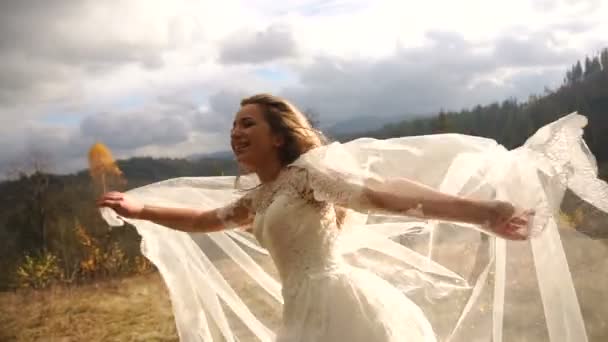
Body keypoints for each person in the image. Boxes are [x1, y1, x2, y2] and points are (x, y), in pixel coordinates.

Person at [97, 94, 541, 341]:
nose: (235, 132)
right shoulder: (262, 196)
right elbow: (203, 220)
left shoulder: (308, 176)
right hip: (300, 314)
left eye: (247, 123)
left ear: (277, 135)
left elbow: (385, 198)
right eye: (233, 125)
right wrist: (141, 210)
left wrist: (483, 212)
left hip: (343, 308)